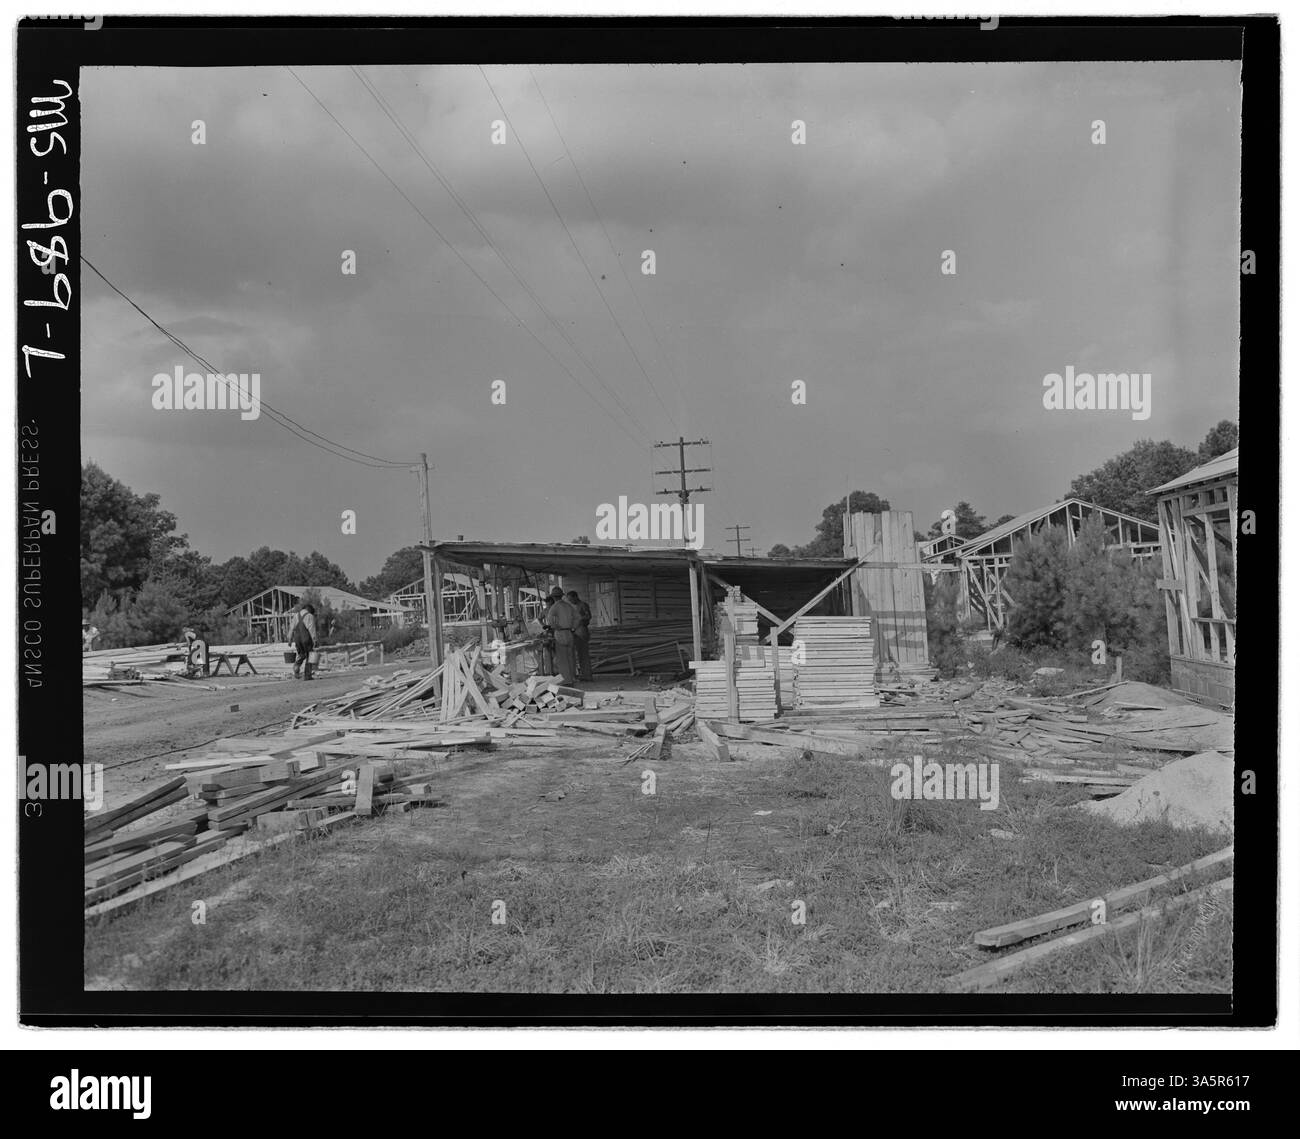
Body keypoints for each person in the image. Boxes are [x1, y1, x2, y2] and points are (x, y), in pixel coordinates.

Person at [544, 586, 579, 685]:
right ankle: (572, 678)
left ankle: (566, 680)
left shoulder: (554, 607)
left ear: (554, 597)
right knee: (571, 657)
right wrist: (573, 627)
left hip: (560, 633)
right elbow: (578, 618)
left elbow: (550, 620)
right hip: (569, 632)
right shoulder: (569, 606)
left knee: (562, 658)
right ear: (561, 596)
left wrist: (555, 626)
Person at [567, 590, 593, 681]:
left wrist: (579, 619)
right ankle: (584, 674)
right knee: (579, 655)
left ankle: (587, 675)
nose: (570, 601)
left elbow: (589, 616)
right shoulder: (574, 606)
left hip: (582, 631)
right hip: (576, 631)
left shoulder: (583, 605)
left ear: (575, 597)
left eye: (571, 599)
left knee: (583, 654)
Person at [289, 603, 317, 680]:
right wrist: (315, 640)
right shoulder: (310, 616)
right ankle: (307, 675)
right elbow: (312, 630)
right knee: (310, 656)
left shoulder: (296, 615)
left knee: (301, 654)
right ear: (310, 610)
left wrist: (289, 640)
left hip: (297, 639)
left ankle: (296, 668)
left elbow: (291, 628)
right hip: (306, 639)